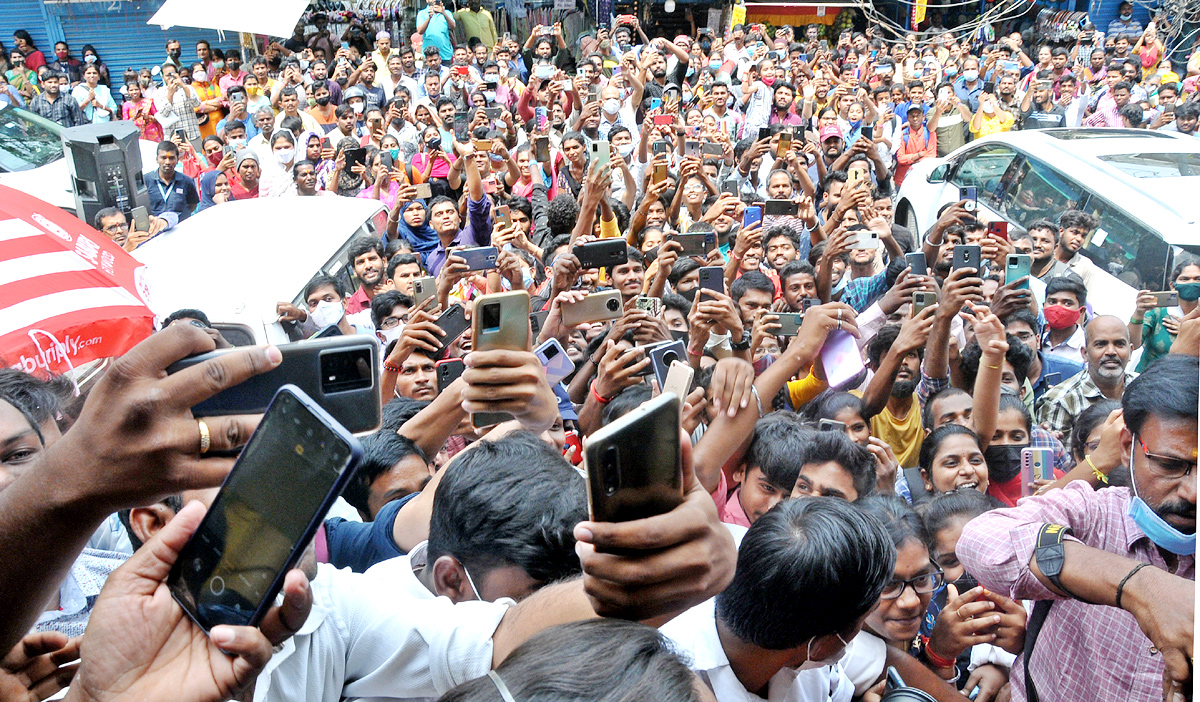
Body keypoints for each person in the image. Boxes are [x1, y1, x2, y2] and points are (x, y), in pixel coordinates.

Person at [959, 353, 1197, 702]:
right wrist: (1138, 585)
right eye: (1171, 465)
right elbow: (983, 539)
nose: (1193, 493)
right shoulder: (1092, 512)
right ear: (1129, 446)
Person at [1036, 315, 1135, 439]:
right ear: (1085, 354)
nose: (1111, 351)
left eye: (1119, 344)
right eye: (1101, 344)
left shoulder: (1145, 390)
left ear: (1131, 351)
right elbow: (1060, 457)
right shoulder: (1060, 401)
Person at [1130, 261, 1200, 371]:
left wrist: (1186, 332)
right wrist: (1139, 313)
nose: (1191, 283)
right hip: (1146, 381)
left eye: (1198, 279)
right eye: (1185, 279)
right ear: (1172, 285)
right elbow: (1131, 344)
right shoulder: (1157, 312)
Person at [147, 140, 199, 223]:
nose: (167, 162)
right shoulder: (146, 181)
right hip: (156, 230)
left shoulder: (187, 181)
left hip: (180, 228)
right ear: (157, 159)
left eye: (171, 158)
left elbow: (192, 205)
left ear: (177, 160)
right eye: (163, 158)